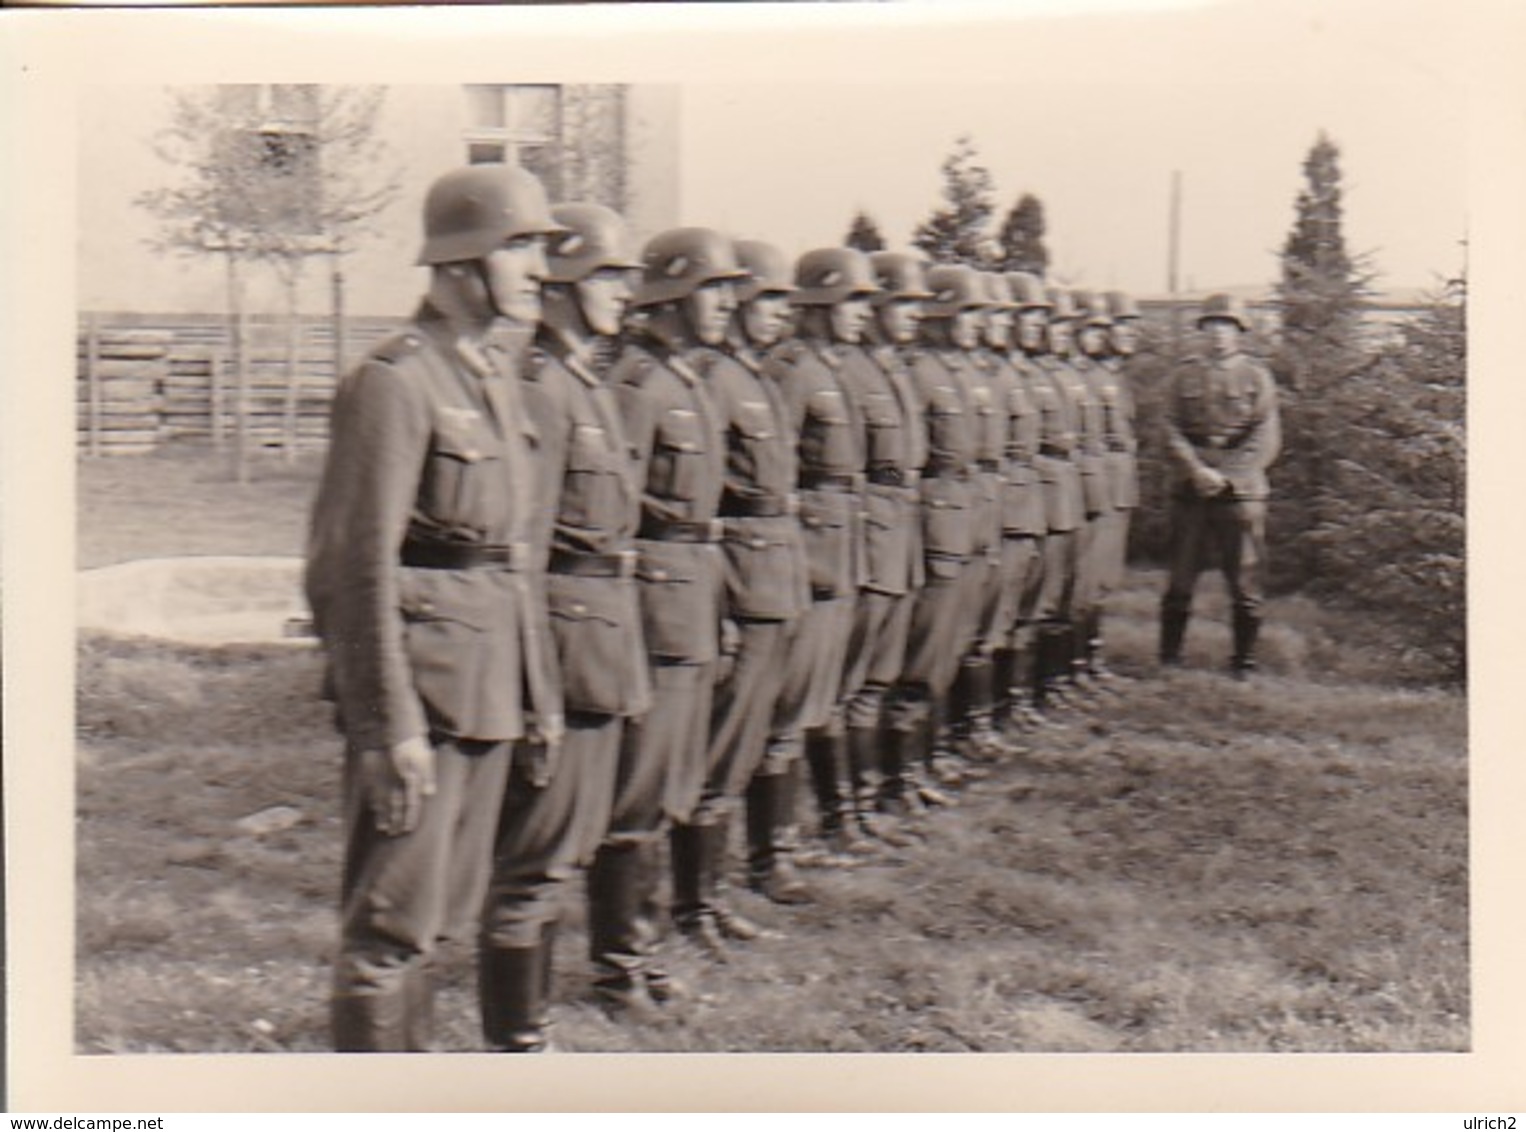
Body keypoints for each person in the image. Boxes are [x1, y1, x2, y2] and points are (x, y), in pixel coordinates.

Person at [305, 163, 565, 1052]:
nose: (540, 271)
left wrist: (537, 697)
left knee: (440, 921)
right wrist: (388, 726)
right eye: (521, 248)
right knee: (389, 931)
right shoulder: (396, 381)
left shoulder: (487, 380)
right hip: (427, 702)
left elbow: (509, 559)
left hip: (487, 689)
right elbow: (352, 566)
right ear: (461, 263)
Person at [474, 201, 657, 1050]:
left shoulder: (585, 383)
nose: (624, 292)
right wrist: (537, 687)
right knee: (537, 857)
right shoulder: (544, 389)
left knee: (579, 837)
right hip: (565, 640)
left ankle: (543, 1015)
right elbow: (525, 552)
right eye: (606, 277)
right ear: (561, 289)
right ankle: (519, 1041)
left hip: (604, 636)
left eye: (625, 276)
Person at [607, 228, 738, 959]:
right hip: (654, 603)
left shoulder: (689, 380)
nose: (726, 304)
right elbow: (613, 511)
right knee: (643, 786)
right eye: (711, 290)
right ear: (670, 297)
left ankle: (673, 922)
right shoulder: (640, 386)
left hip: (693, 593)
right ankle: (627, 954)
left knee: (681, 774)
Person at [682, 236, 814, 948]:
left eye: (779, 301)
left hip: (775, 571)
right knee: (721, 747)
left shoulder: (755, 376)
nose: (773, 313)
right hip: (738, 572)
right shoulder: (710, 376)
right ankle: (695, 904)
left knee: (758, 735)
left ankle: (728, 882)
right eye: (764, 299)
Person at [750, 246, 877, 899]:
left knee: (820, 702)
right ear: (823, 306)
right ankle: (770, 856)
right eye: (853, 302)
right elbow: (778, 476)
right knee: (787, 712)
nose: (864, 314)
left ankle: (819, 828)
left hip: (841, 548)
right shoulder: (791, 370)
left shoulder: (833, 367)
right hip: (807, 556)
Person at [890, 262, 988, 803]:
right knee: (922, 654)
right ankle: (901, 777)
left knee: (947, 647)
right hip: (933, 523)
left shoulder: (958, 371)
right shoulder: (918, 373)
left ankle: (927, 758)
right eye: (963, 311)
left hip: (962, 517)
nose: (972, 323)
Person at [1159, 293, 1281, 677]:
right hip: (1190, 488)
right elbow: (1167, 427)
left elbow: (1265, 437)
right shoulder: (1183, 376)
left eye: (1227, 326)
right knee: (1180, 577)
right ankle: (1169, 659)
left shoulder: (1256, 376)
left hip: (1240, 493)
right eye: (1212, 325)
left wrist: (1227, 477)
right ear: (1202, 330)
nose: (1218, 334)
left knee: (1245, 579)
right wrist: (1195, 470)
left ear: (1240, 332)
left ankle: (1243, 662)